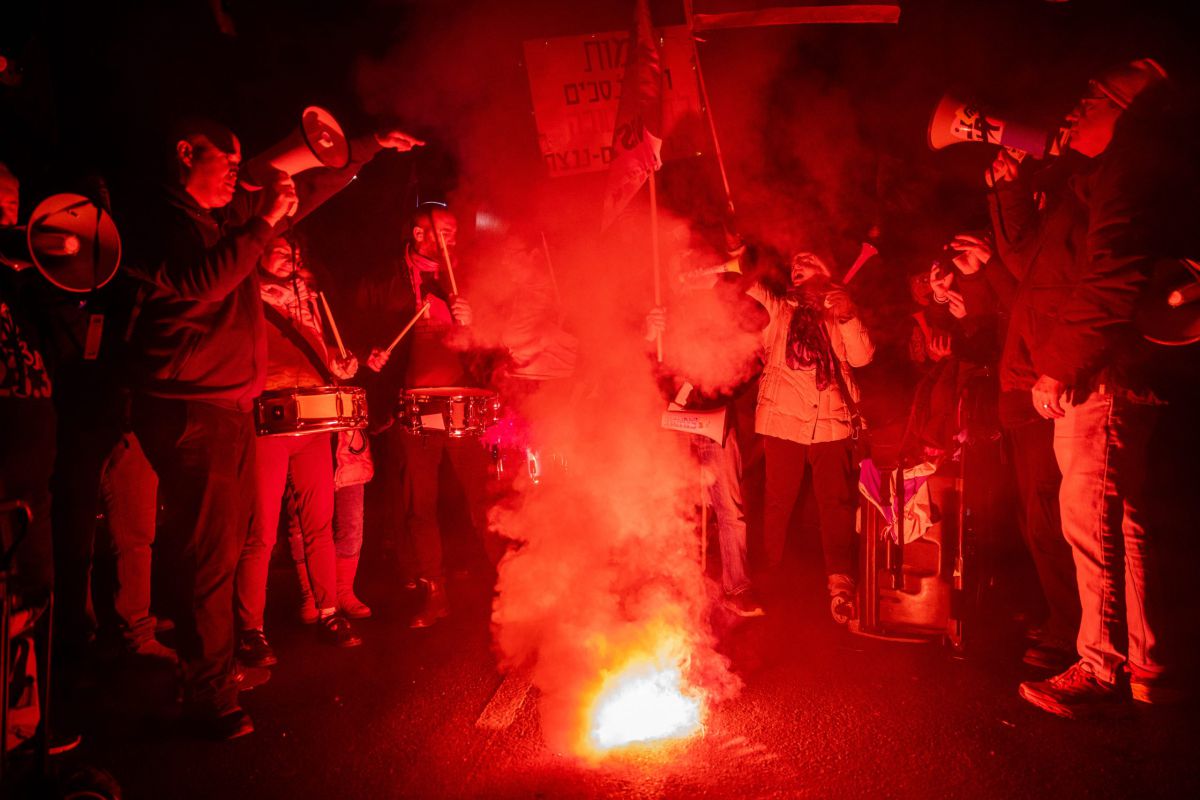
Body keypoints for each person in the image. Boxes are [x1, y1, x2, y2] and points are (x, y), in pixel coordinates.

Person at [123, 118, 421, 739]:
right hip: (186, 405)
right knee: (209, 548)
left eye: (240, 162)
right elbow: (203, 282)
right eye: (224, 160)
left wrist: (365, 150)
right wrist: (260, 224)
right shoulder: (158, 221)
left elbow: (307, 193)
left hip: (228, 405)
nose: (236, 171)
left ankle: (212, 668)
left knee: (227, 543)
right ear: (184, 153)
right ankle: (209, 694)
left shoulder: (225, 225)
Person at [998, 58, 1188, 717]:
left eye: (1090, 98)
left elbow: (1112, 273)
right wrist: (1011, 192)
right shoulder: (1101, 176)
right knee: (1123, 522)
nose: (1074, 109)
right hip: (1106, 371)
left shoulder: (1128, 170)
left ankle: (1097, 667)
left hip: (1100, 376)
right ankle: (1147, 664)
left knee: (1089, 522)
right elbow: (1039, 274)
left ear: (1122, 110)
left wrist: (1061, 364)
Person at [361, 203, 499, 628]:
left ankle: (509, 586)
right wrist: (371, 353)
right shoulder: (387, 280)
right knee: (419, 505)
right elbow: (363, 329)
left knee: (482, 498)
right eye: (444, 231)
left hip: (462, 402)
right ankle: (433, 591)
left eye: (455, 232)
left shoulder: (466, 279)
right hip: (412, 405)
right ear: (419, 234)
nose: (452, 239)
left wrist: (475, 325)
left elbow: (495, 346)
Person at [234, 236, 363, 670]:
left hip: (313, 420)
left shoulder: (310, 302)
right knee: (262, 533)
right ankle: (250, 629)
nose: (290, 256)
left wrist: (338, 367)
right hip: (268, 420)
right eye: (279, 249)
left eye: (295, 251)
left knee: (319, 524)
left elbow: (322, 358)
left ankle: (330, 613)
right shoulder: (244, 296)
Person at [748, 251, 874, 619]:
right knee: (777, 502)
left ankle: (840, 583)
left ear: (824, 268)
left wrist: (848, 314)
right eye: (793, 264)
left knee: (834, 504)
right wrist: (737, 258)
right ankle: (771, 575)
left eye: (805, 260)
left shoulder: (840, 308)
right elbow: (749, 287)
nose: (796, 266)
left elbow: (863, 358)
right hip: (781, 420)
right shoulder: (781, 306)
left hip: (830, 419)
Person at [645, 238, 766, 618]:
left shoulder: (732, 304)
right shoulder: (663, 308)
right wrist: (650, 333)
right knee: (669, 502)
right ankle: (667, 588)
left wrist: (725, 278)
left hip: (715, 416)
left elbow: (757, 334)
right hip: (671, 419)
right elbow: (642, 364)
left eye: (696, 261)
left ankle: (737, 587)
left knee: (729, 508)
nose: (690, 268)